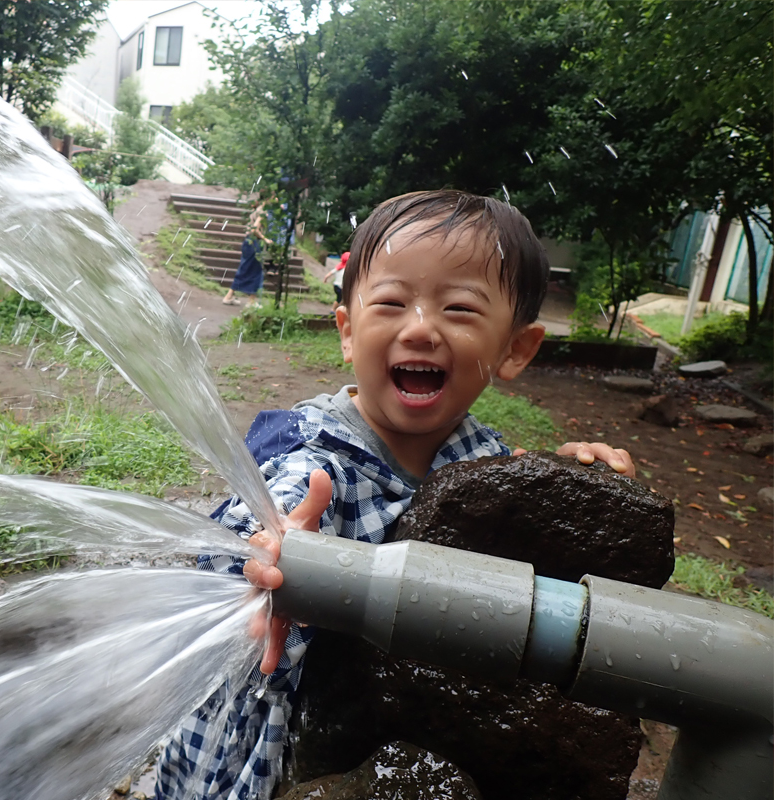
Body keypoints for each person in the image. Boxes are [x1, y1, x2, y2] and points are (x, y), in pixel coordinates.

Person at [156, 190, 634, 800]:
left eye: (459, 309)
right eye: (390, 303)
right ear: (348, 331)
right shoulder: (308, 462)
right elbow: (245, 543)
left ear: (515, 349)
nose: (420, 328)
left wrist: (574, 484)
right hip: (266, 751)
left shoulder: (487, 463)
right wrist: (275, 560)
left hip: (392, 740)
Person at [222, 203, 271, 307]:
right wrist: (265, 238)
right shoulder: (263, 212)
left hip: (248, 242)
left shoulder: (257, 209)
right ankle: (251, 301)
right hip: (254, 243)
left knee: (245, 269)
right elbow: (254, 229)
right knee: (256, 271)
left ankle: (230, 296)